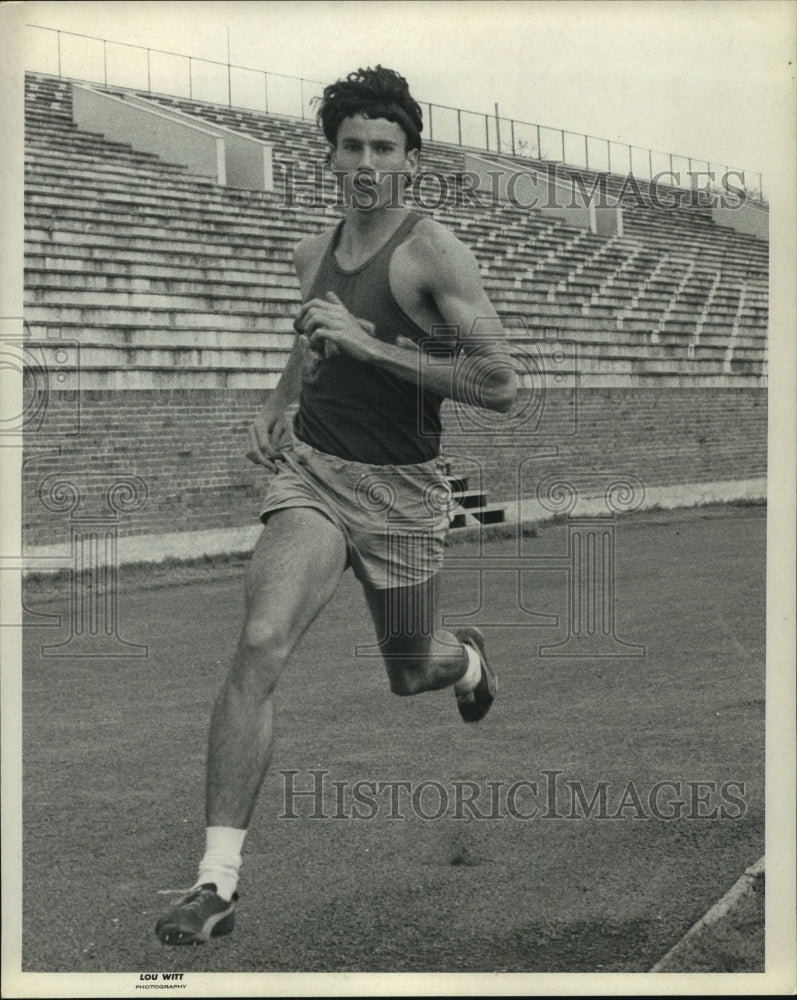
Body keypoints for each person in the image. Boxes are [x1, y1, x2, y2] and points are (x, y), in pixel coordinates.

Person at [155, 65, 517, 946]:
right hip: (313, 477)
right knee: (259, 642)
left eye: (383, 149)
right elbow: (312, 334)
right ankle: (215, 883)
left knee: (410, 672)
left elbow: (501, 384)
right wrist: (280, 399)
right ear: (329, 156)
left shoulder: (434, 253)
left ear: (409, 160)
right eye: (350, 147)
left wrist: (374, 345)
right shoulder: (312, 251)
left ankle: (464, 662)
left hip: (402, 494)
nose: (365, 163)